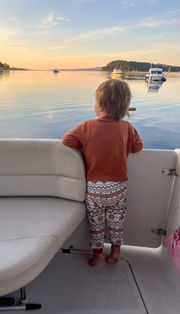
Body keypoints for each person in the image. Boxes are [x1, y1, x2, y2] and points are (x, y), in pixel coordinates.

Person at [62, 79, 143, 266]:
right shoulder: (127, 127)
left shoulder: (86, 126)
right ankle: (115, 253)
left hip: (95, 188)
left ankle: (97, 253)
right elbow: (138, 147)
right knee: (116, 221)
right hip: (118, 186)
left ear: (99, 105)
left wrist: (86, 147)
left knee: (96, 222)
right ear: (124, 107)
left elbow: (66, 141)